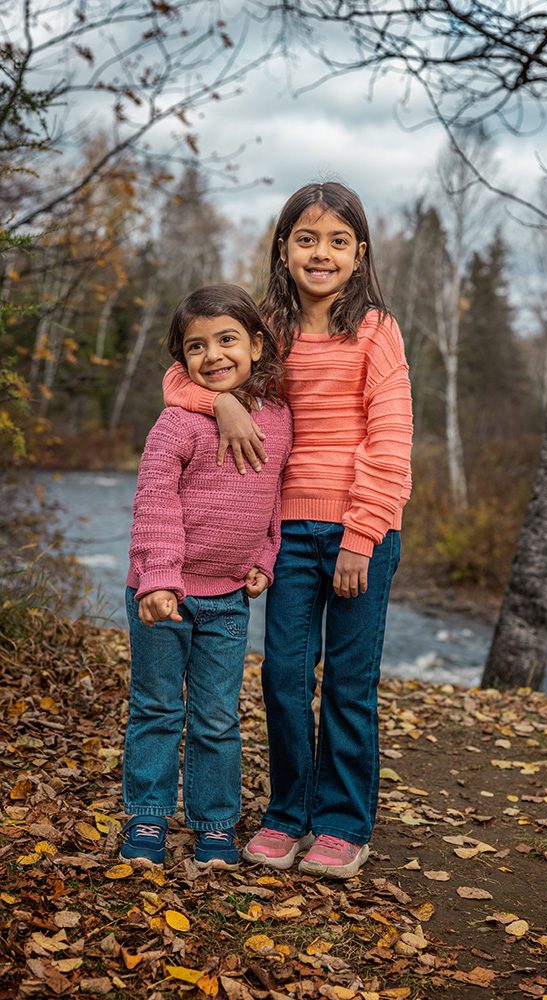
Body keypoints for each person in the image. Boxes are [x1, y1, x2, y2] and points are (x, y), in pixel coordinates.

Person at [163, 182, 413, 879]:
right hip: (286, 529)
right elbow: (182, 376)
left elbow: (390, 440)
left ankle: (341, 825)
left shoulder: (375, 330)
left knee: (348, 684)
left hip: (363, 527)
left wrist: (362, 535)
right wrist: (225, 405)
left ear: (359, 253)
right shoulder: (265, 325)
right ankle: (287, 814)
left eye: (337, 240)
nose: (320, 252)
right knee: (282, 676)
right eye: (306, 238)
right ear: (283, 247)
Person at [120, 284, 292, 870]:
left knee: (217, 716)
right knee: (158, 708)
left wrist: (265, 558)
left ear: (257, 346)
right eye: (197, 346)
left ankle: (214, 825)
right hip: (162, 593)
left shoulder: (281, 420)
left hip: (227, 600)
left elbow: (272, 499)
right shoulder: (176, 425)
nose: (214, 355)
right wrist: (160, 579)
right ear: (182, 361)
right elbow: (154, 504)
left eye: (227, 339)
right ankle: (147, 819)